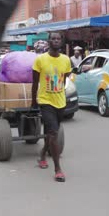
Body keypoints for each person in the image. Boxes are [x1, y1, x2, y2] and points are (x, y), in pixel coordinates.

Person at [32, 32, 72, 182]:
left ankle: (42, 154)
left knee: (51, 133)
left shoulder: (66, 60)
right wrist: (33, 100)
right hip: (45, 100)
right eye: (53, 38)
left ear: (62, 41)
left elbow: (65, 79)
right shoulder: (40, 60)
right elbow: (35, 82)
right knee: (54, 133)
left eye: (58, 38)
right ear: (49, 41)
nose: (56, 40)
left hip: (60, 101)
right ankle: (58, 169)